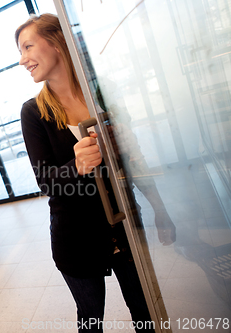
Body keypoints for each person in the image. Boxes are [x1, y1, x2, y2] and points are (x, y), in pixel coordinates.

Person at [16, 14, 158, 332]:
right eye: (20, 51)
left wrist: (160, 211)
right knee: (91, 319)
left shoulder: (101, 96)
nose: (23, 59)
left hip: (124, 226)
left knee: (145, 311)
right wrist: (76, 165)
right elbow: (46, 181)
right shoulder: (33, 112)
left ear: (57, 43)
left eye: (27, 47)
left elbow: (134, 161)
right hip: (76, 239)